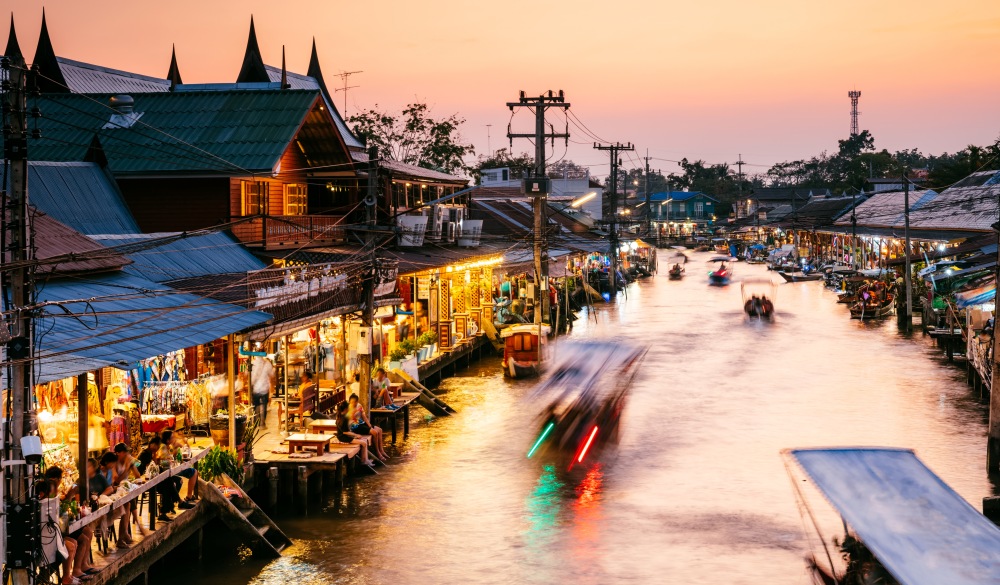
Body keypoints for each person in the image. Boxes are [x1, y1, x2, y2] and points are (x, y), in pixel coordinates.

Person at [45, 467, 97, 580]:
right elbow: (59, 513)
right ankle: (73, 571)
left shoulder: (54, 492)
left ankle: (83, 565)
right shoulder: (49, 492)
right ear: (55, 479)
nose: (61, 481)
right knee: (80, 540)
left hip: (62, 526)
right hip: (57, 531)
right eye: (60, 478)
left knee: (87, 531)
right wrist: (69, 496)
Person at [36, 479, 80, 585]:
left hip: (55, 537)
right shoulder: (40, 507)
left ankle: (67, 576)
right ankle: (64, 578)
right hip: (44, 543)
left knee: (74, 542)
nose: (55, 495)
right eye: (52, 494)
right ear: (41, 494)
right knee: (69, 546)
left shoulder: (52, 505)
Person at [159, 430, 198, 507]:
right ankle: (173, 502)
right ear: (167, 440)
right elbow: (161, 462)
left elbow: (176, 456)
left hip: (174, 470)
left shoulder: (169, 446)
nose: (174, 439)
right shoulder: (162, 448)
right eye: (172, 437)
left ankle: (186, 498)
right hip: (166, 472)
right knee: (179, 480)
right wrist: (170, 461)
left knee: (193, 472)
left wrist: (184, 443)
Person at [348, 393, 389, 461]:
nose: (354, 403)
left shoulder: (359, 406)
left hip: (361, 423)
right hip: (355, 426)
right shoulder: (348, 409)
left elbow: (364, 417)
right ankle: (377, 452)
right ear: (349, 402)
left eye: (355, 402)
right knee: (375, 433)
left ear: (357, 401)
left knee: (379, 430)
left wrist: (370, 426)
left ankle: (381, 450)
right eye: (352, 402)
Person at [336, 401, 375, 467]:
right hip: (344, 437)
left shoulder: (339, 416)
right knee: (364, 443)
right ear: (346, 409)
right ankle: (364, 460)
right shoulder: (344, 418)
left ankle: (366, 459)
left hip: (345, 436)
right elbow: (345, 432)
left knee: (364, 440)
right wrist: (356, 435)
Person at [251, 355, 275, 428]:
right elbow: (272, 376)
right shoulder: (267, 363)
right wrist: (272, 388)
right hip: (264, 388)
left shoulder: (252, 363)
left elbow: (246, 375)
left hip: (255, 389)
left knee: (255, 406)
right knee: (264, 406)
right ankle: (262, 424)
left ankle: (255, 422)